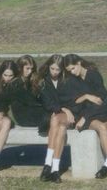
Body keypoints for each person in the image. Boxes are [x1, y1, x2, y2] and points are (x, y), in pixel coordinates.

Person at [64, 53, 107, 179]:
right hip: (85, 115)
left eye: (73, 68)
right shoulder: (72, 80)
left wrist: (87, 112)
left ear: (79, 63)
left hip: (101, 111)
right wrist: (86, 96)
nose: (72, 72)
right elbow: (73, 102)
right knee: (101, 128)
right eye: (69, 70)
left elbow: (105, 101)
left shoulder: (94, 75)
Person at [37, 54, 75, 183]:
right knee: (60, 126)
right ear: (48, 67)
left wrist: (64, 109)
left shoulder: (67, 79)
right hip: (56, 115)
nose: (54, 72)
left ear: (62, 69)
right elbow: (47, 103)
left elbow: (71, 100)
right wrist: (62, 109)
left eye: (57, 69)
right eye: (52, 68)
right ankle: (54, 169)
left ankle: (47, 165)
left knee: (57, 121)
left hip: (70, 114)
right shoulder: (43, 81)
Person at [9, 55, 48, 128]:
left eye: (32, 69)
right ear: (20, 68)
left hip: (33, 111)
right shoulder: (16, 83)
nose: (30, 71)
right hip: (23, 115)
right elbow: (29, 101)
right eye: (27, 68)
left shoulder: (29, 81)